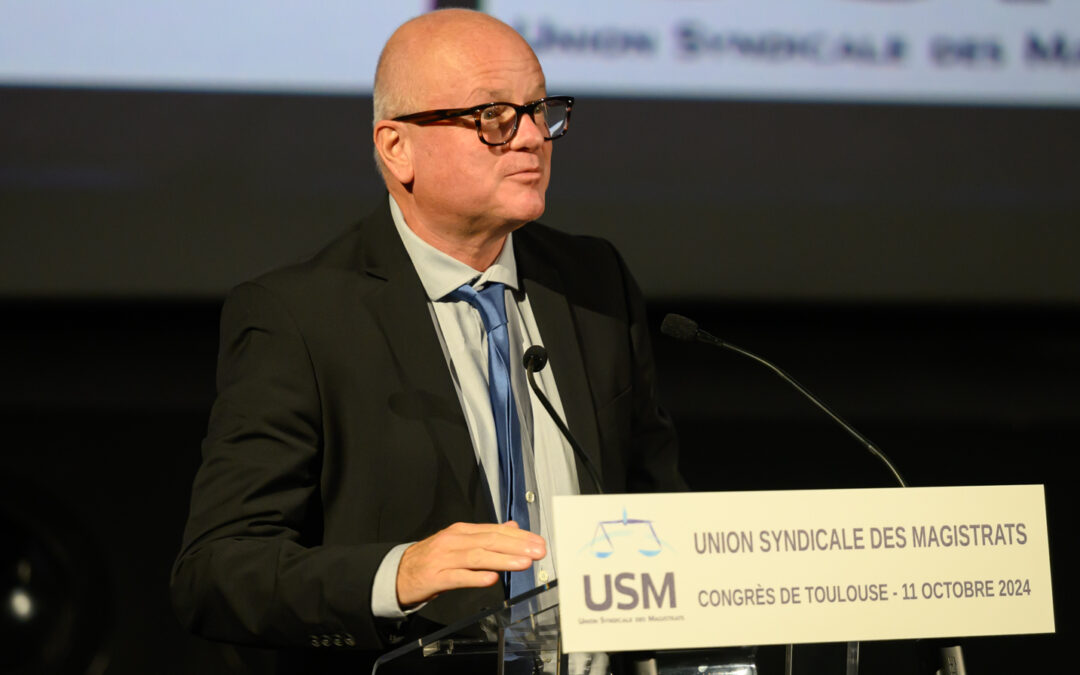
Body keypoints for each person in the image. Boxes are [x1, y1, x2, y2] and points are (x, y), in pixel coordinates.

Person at [171, 8, 684, 672]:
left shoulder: (594, 284)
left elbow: (658, 506)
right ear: (396, 147)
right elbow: (216, 571)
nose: (531, 138)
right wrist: (397, 572)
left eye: (539, 110)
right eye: (494, 117)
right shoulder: (298, 318)